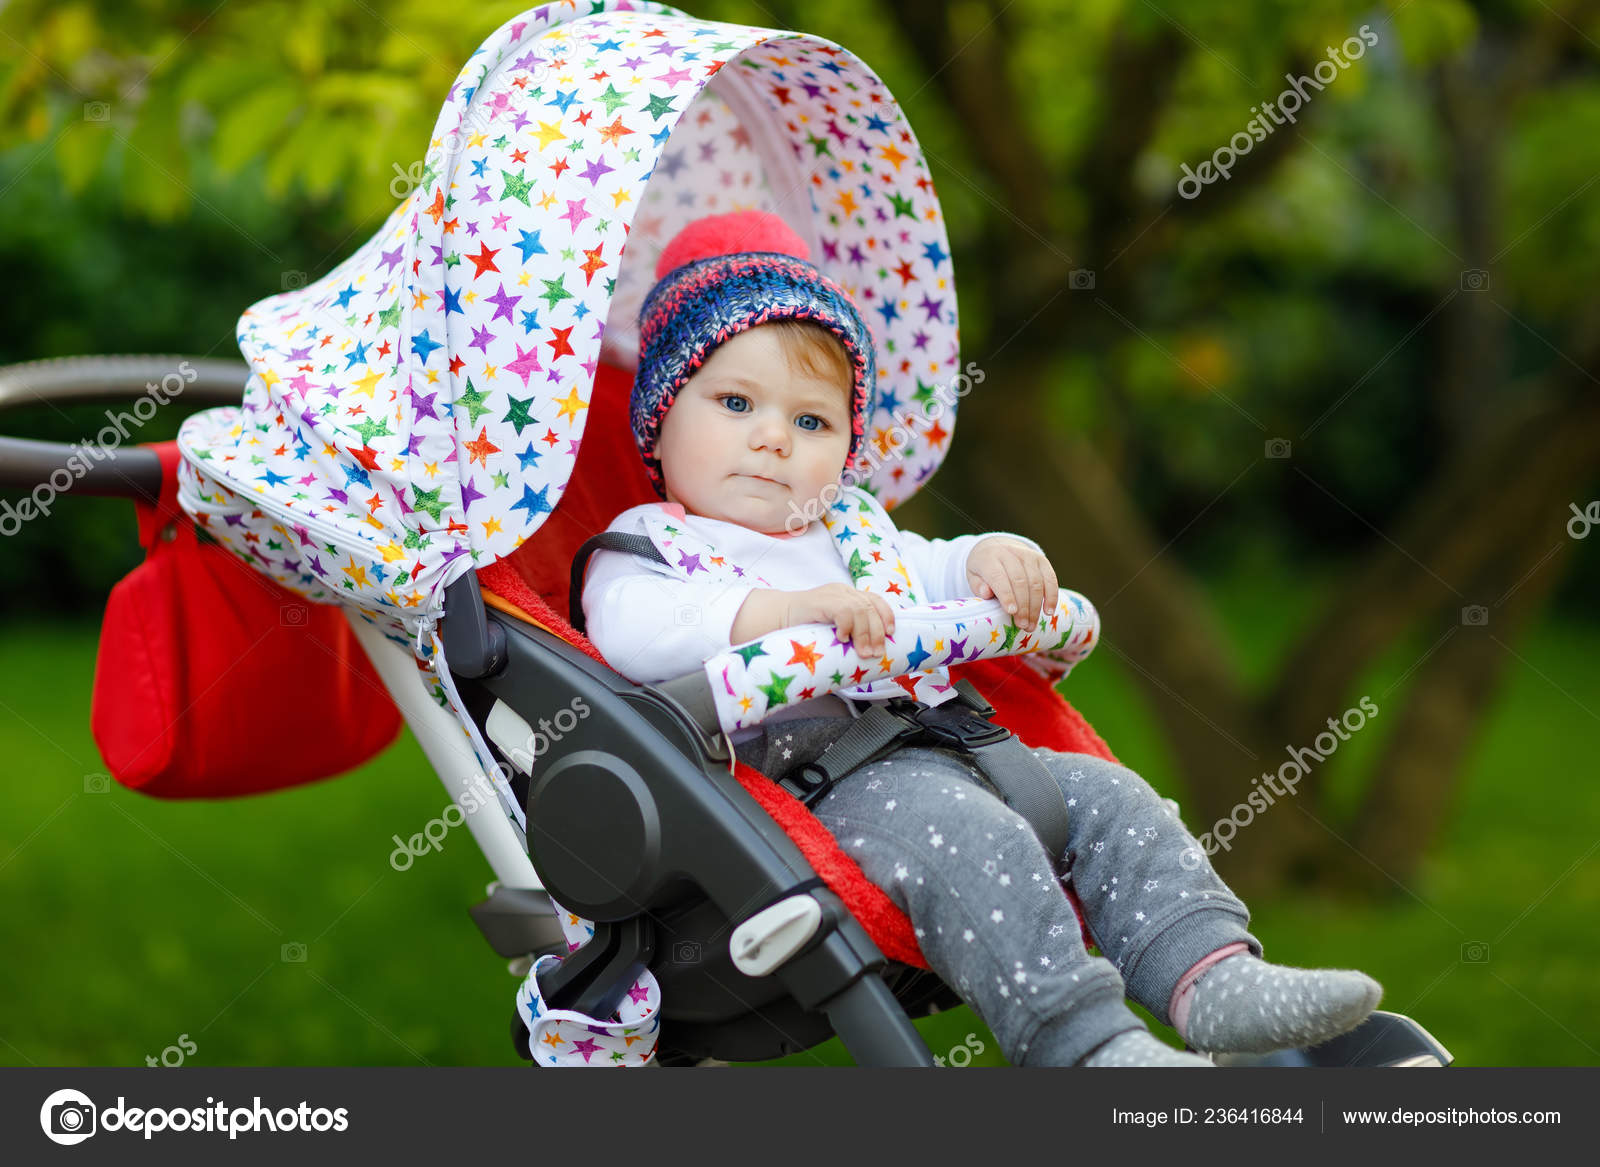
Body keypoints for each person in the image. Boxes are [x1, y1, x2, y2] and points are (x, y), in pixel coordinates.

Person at [581, 210, 1382, 1067]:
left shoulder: (850, 530)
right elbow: (630, 636)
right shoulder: (650, 546)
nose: (774, 437)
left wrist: (991, 562)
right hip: (803, 796)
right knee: (977, 838)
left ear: (848, 447)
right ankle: (1088, 1047)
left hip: (952, 745)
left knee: (1115, 803)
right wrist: (778, 616)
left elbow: (931, 567)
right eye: (736, 403)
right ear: (660, 419)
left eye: (812, 421)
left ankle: (1212, 976)